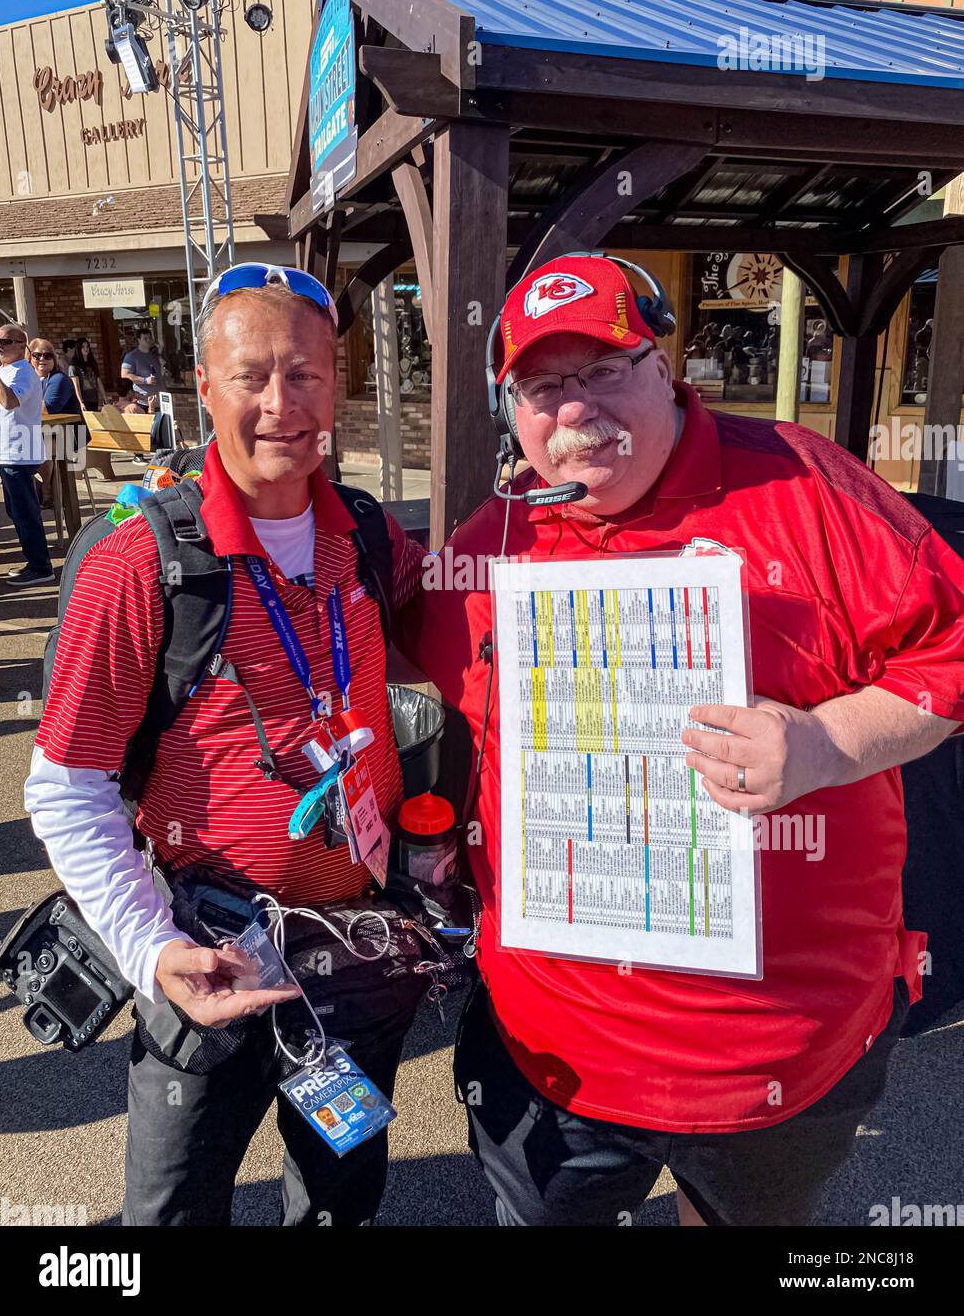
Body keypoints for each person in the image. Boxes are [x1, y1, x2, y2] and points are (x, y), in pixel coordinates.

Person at [394, 252, 964, 1228]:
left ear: (663, 368)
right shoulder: (492, 545)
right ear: (513, 409)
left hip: (776, 1057)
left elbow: (951, 640)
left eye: (601, 370)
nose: (573, 409)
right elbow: (380, 665)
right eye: (542, 385)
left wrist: (827, 741)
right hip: (553, 1054)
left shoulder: (803, 482)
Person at [25, 264, 427, 1227]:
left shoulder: (369, 538)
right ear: (204, 389)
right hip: (209, 955)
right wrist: (149, 945)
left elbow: (479, 621)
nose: (281, 404)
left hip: (353, 952)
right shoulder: (142, 562)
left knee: (339, 1201)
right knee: (170, 1214)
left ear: (338, 385)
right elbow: (66, 785)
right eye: (251, 376)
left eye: (306, 374)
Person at [0, 323, 54, 586]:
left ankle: (41, 567)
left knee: (25, 511)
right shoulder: (4, 370)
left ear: (20, 346)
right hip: (4, 453)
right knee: (15, 511)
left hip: (19, 453)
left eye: (5, 341)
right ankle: (34, 561)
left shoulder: (23, 372)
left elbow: (9, 402)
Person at [29, 337, 81, 509]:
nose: (42, 359)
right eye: (37, 355)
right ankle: (37, 486)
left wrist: (20, 401)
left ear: (54, 359)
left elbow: (48, 408)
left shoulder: (59, 379)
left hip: (72, 437)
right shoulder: (31, 380)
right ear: (30, 358)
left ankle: (46, 488)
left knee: (38, 445)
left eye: (47, 355)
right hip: (46, 433)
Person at [120, 327, 162, 411]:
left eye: (150, 338)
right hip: (142, 402)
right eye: (145, 338)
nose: (148, 340)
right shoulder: (131, 356)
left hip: (158, 401)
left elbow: (158, 375)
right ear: (139, 340)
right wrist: (145, 380)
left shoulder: (153, 356)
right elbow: (124, 375)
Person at [71, 336, 106, 409]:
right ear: (78, 348)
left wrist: (105, 397)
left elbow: (98, 381)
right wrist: (81, 402)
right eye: (83, 347)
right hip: (83, 399)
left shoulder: (92, 363)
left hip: (94, 398)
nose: (86, 349)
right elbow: (76, 385)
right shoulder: (74, 365)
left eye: (87, 346)